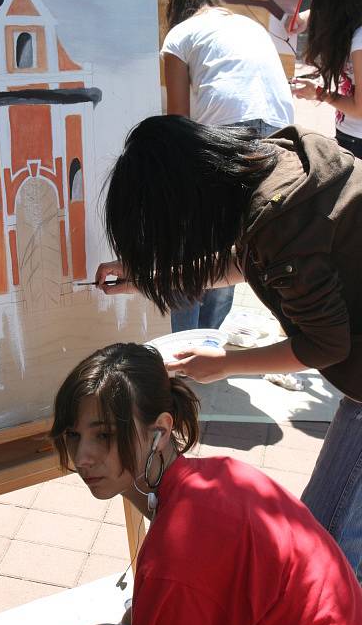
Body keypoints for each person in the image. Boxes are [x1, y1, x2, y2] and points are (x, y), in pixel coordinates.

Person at [95, 115, 362, 582]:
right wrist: (156, 276)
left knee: (334, 553)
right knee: (320, 536)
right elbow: (248, 258)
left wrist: (228, 364)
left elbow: (326, 342)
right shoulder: (271, 164)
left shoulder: (279, 218)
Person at [51, 343, 362, 625]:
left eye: (104, 435)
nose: (81, 458)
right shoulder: (219, 471)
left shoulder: (175, 559)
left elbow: (183, 581)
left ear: (159, 432)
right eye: (73, 435)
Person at [161, 0, 294, 332]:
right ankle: (209, 337)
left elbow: (177, 121)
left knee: (191, 243)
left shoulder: (179, 35)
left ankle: (187, 343)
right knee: (238, 241)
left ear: (175, 10)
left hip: (229, 132)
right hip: (282, 134)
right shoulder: (249, 25)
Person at [290, 0, 362, 159]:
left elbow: (359, 108)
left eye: (319, 2)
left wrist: (319, 93)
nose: (316, 7)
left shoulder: (360, 43)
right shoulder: (354, 14)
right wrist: (304, 17)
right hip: (350, 133)